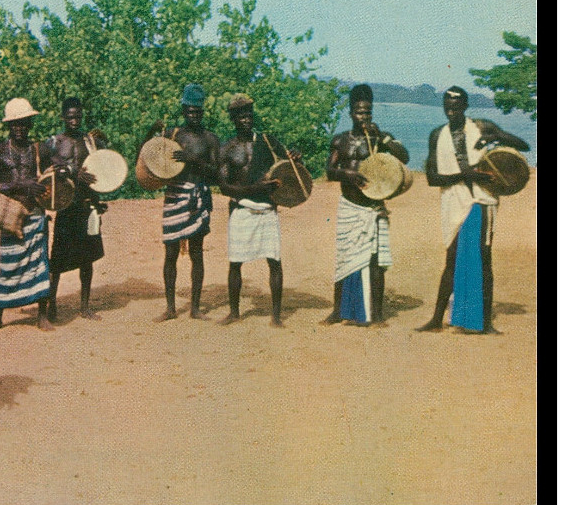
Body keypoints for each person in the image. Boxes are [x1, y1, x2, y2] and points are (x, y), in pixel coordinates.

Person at [417, 86, 530, 334]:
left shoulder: (482, 127)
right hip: (453, 202)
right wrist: (465, 175)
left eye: (457, 104)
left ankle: (486, 323)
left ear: (465, 106)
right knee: (451, 259)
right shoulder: (438, 135)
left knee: (483, 258)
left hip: (482, 201)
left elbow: (523, 145)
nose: (451, 108)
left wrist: (495, 138)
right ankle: (437, 319)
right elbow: (432, 178)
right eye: (447, 103)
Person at [322, 84, 410, 326]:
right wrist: (349, 175)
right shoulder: (340, 140)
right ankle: (338, 310)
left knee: (375, 262)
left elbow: (404, 157)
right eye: (360, 113)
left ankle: (378, 314)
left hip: (372, 207)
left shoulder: (379, 140)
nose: (364, 117)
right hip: (349, 206)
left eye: (368, 113)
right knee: (344, 259)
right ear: (351, 112)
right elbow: (330, 172)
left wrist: (383, 137)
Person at [218, 94, 301, 328]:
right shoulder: (227, 148)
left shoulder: (268, 141)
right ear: (233, 119)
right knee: (235, 263)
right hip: (242, 210)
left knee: (274, 261)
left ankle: (276, 316)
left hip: (267, 210)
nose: (246, 120)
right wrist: (253, 188)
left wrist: (294, 155)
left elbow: (289, 168)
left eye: (249, 115)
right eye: (241, 116)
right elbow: (224, 187)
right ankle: (234, 313)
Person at [144, 83, 220, 322]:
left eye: (198, 111)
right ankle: (170, 307)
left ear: (202, 111)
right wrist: (149, 132)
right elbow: (148, 154)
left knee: (197, 253)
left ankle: (195, 308)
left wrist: (193, 160)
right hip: (175, 196)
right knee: (170, 252)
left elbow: (217, 174)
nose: (194, 115)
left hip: (198, 196)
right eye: (190, 111)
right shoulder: (173, 135)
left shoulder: (210, 139)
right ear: (184, 110)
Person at [0, 98, 56, 331]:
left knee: (40, 264)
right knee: (9, 264)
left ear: (30, 124)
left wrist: (62, 171)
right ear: (9, 126)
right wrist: (21, 185)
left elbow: (57, 167)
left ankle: (41, 316)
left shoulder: (40, 149)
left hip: (35, 212)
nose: (20, 129)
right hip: (10, 214)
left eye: (24, 123)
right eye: (16, 124)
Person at [46, 97, 107, 321]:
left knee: (87, 258)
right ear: (63, 117)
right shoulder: (54, 142)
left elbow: (102, 171)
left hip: (86, 205)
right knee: (57, 259)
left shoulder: (89, 142)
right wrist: (72, 171)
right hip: (66, 206)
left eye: (77, 117)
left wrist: (98, 201)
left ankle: (85, 306)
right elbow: (47, 168)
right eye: (70, 117)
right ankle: (51, 306)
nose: (74, 121)